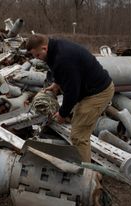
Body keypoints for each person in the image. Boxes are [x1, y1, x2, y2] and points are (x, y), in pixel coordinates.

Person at [26, 34, 114, 162]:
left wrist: (62, 114)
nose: (37, 59)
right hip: (90, 89)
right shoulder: (54, 49)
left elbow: (72, 92)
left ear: (44, 48)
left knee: (78, 136)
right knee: (78, 126)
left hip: (98, 93)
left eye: (38, 55)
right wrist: (56, 83)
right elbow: (62, 72)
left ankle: (86, 176)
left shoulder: (63, 58)